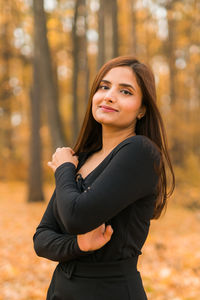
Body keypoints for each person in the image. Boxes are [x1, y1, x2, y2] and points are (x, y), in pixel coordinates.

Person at [33, 55, 175, 300]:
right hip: (61, 291)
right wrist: (78, 246)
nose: (109, 95)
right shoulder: (84, 157)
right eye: (104, 86)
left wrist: (64, 169)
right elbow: (42, 238)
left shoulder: (140, 152)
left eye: (126, 91)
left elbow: (77, 217)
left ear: (142, 109)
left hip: (110, 291)